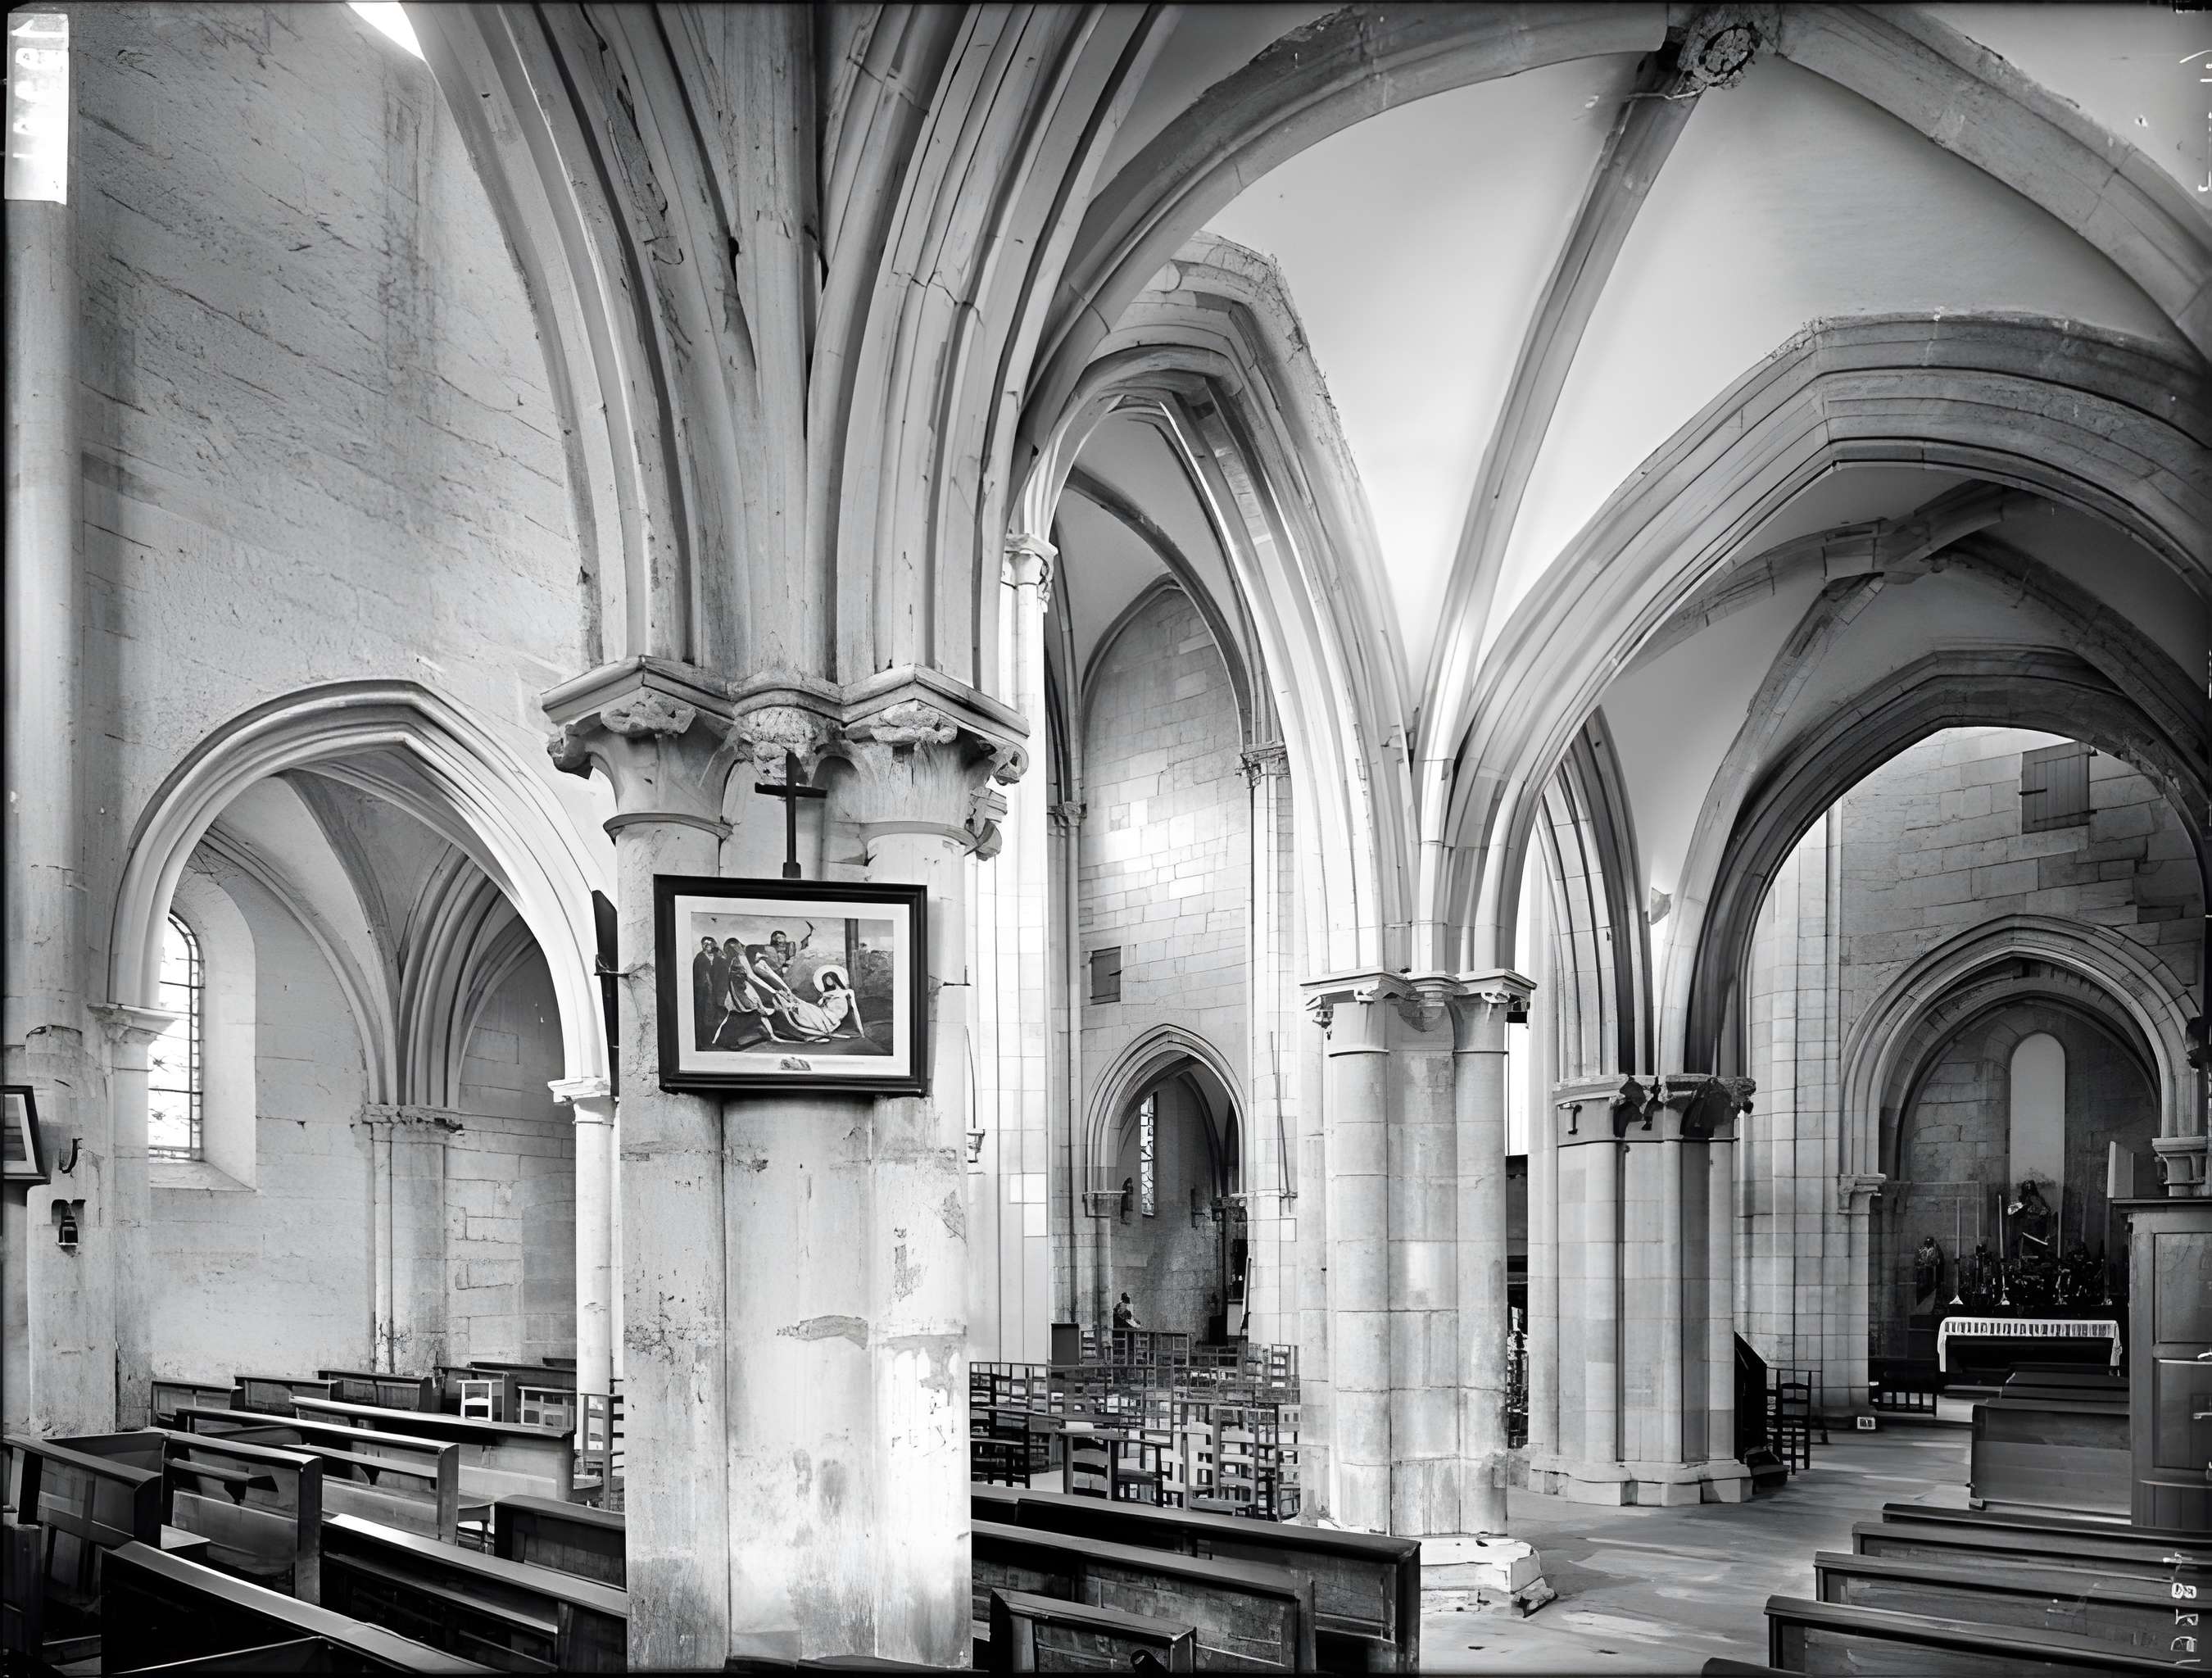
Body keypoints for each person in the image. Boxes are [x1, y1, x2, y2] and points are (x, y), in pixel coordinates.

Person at [692, 935, 724, 1044]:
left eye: (710, 943)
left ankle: (714, 1038)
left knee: (715, 1013)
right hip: (703, 991)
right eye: (705, 943)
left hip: (716, 990)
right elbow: (700, 975)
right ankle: (703, 1040)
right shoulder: (700, 957)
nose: (708, 946)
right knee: (703, 1013)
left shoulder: (718, 957)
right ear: (702, 945)